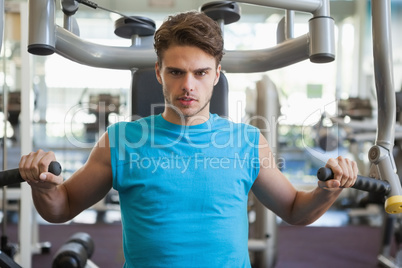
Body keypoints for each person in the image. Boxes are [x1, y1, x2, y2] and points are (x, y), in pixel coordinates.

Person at [19, 11, 357, 267]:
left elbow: (296, 210)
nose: (188, 85)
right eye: (176, 72)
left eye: (201, 72)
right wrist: (44, 187)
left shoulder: (248, 141)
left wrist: (327, 192)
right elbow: (60, 208)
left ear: (217, 74)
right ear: (158, 72)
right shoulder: (121, 139)